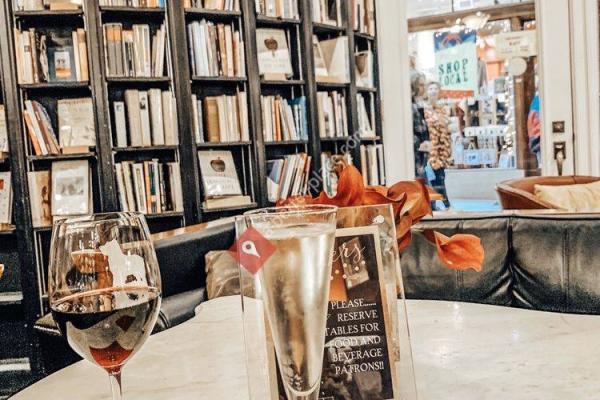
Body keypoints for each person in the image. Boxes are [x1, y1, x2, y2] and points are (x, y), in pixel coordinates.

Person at [424, 81, 451, 209]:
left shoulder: (442, 109)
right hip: (430, 149)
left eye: (435, 88)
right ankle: (442, 204)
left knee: (440, 177)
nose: (433, 91)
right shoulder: (424, 109)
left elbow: (446, 126)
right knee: (433, 178)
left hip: (442, 149)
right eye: (430, 88)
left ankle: (440, 204)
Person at [410, 71, 430, 180]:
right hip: (417, 152)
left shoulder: (419, 104)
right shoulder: (411, 105)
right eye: (421, 85)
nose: (424, 88)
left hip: (423, 153)